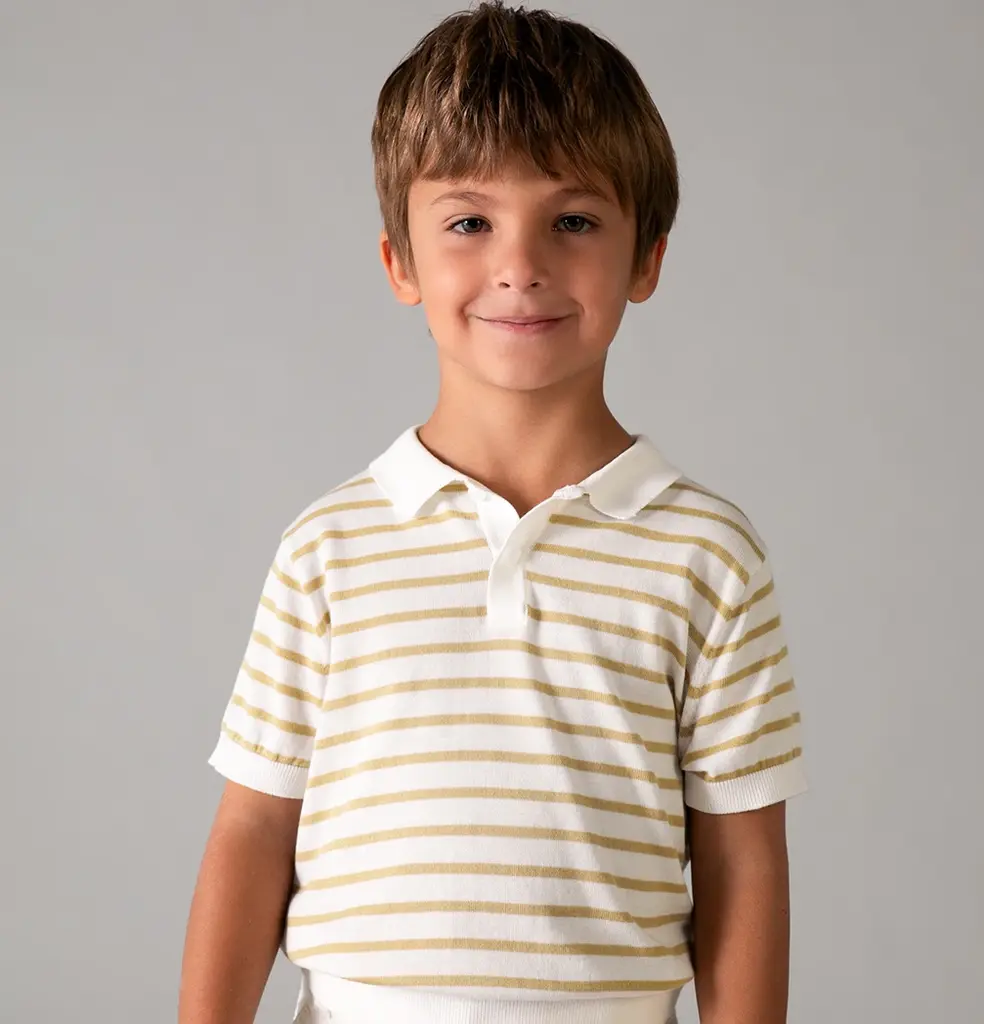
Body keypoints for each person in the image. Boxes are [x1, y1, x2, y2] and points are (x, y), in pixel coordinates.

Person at [178, 3, 808, 1022]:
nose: (521, 265)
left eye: (573, 221)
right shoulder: (328, 547)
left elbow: (742, 855)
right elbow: (253, 829)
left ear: (646, 259)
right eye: (470, 223)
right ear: (401, 262)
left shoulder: (707, 556)